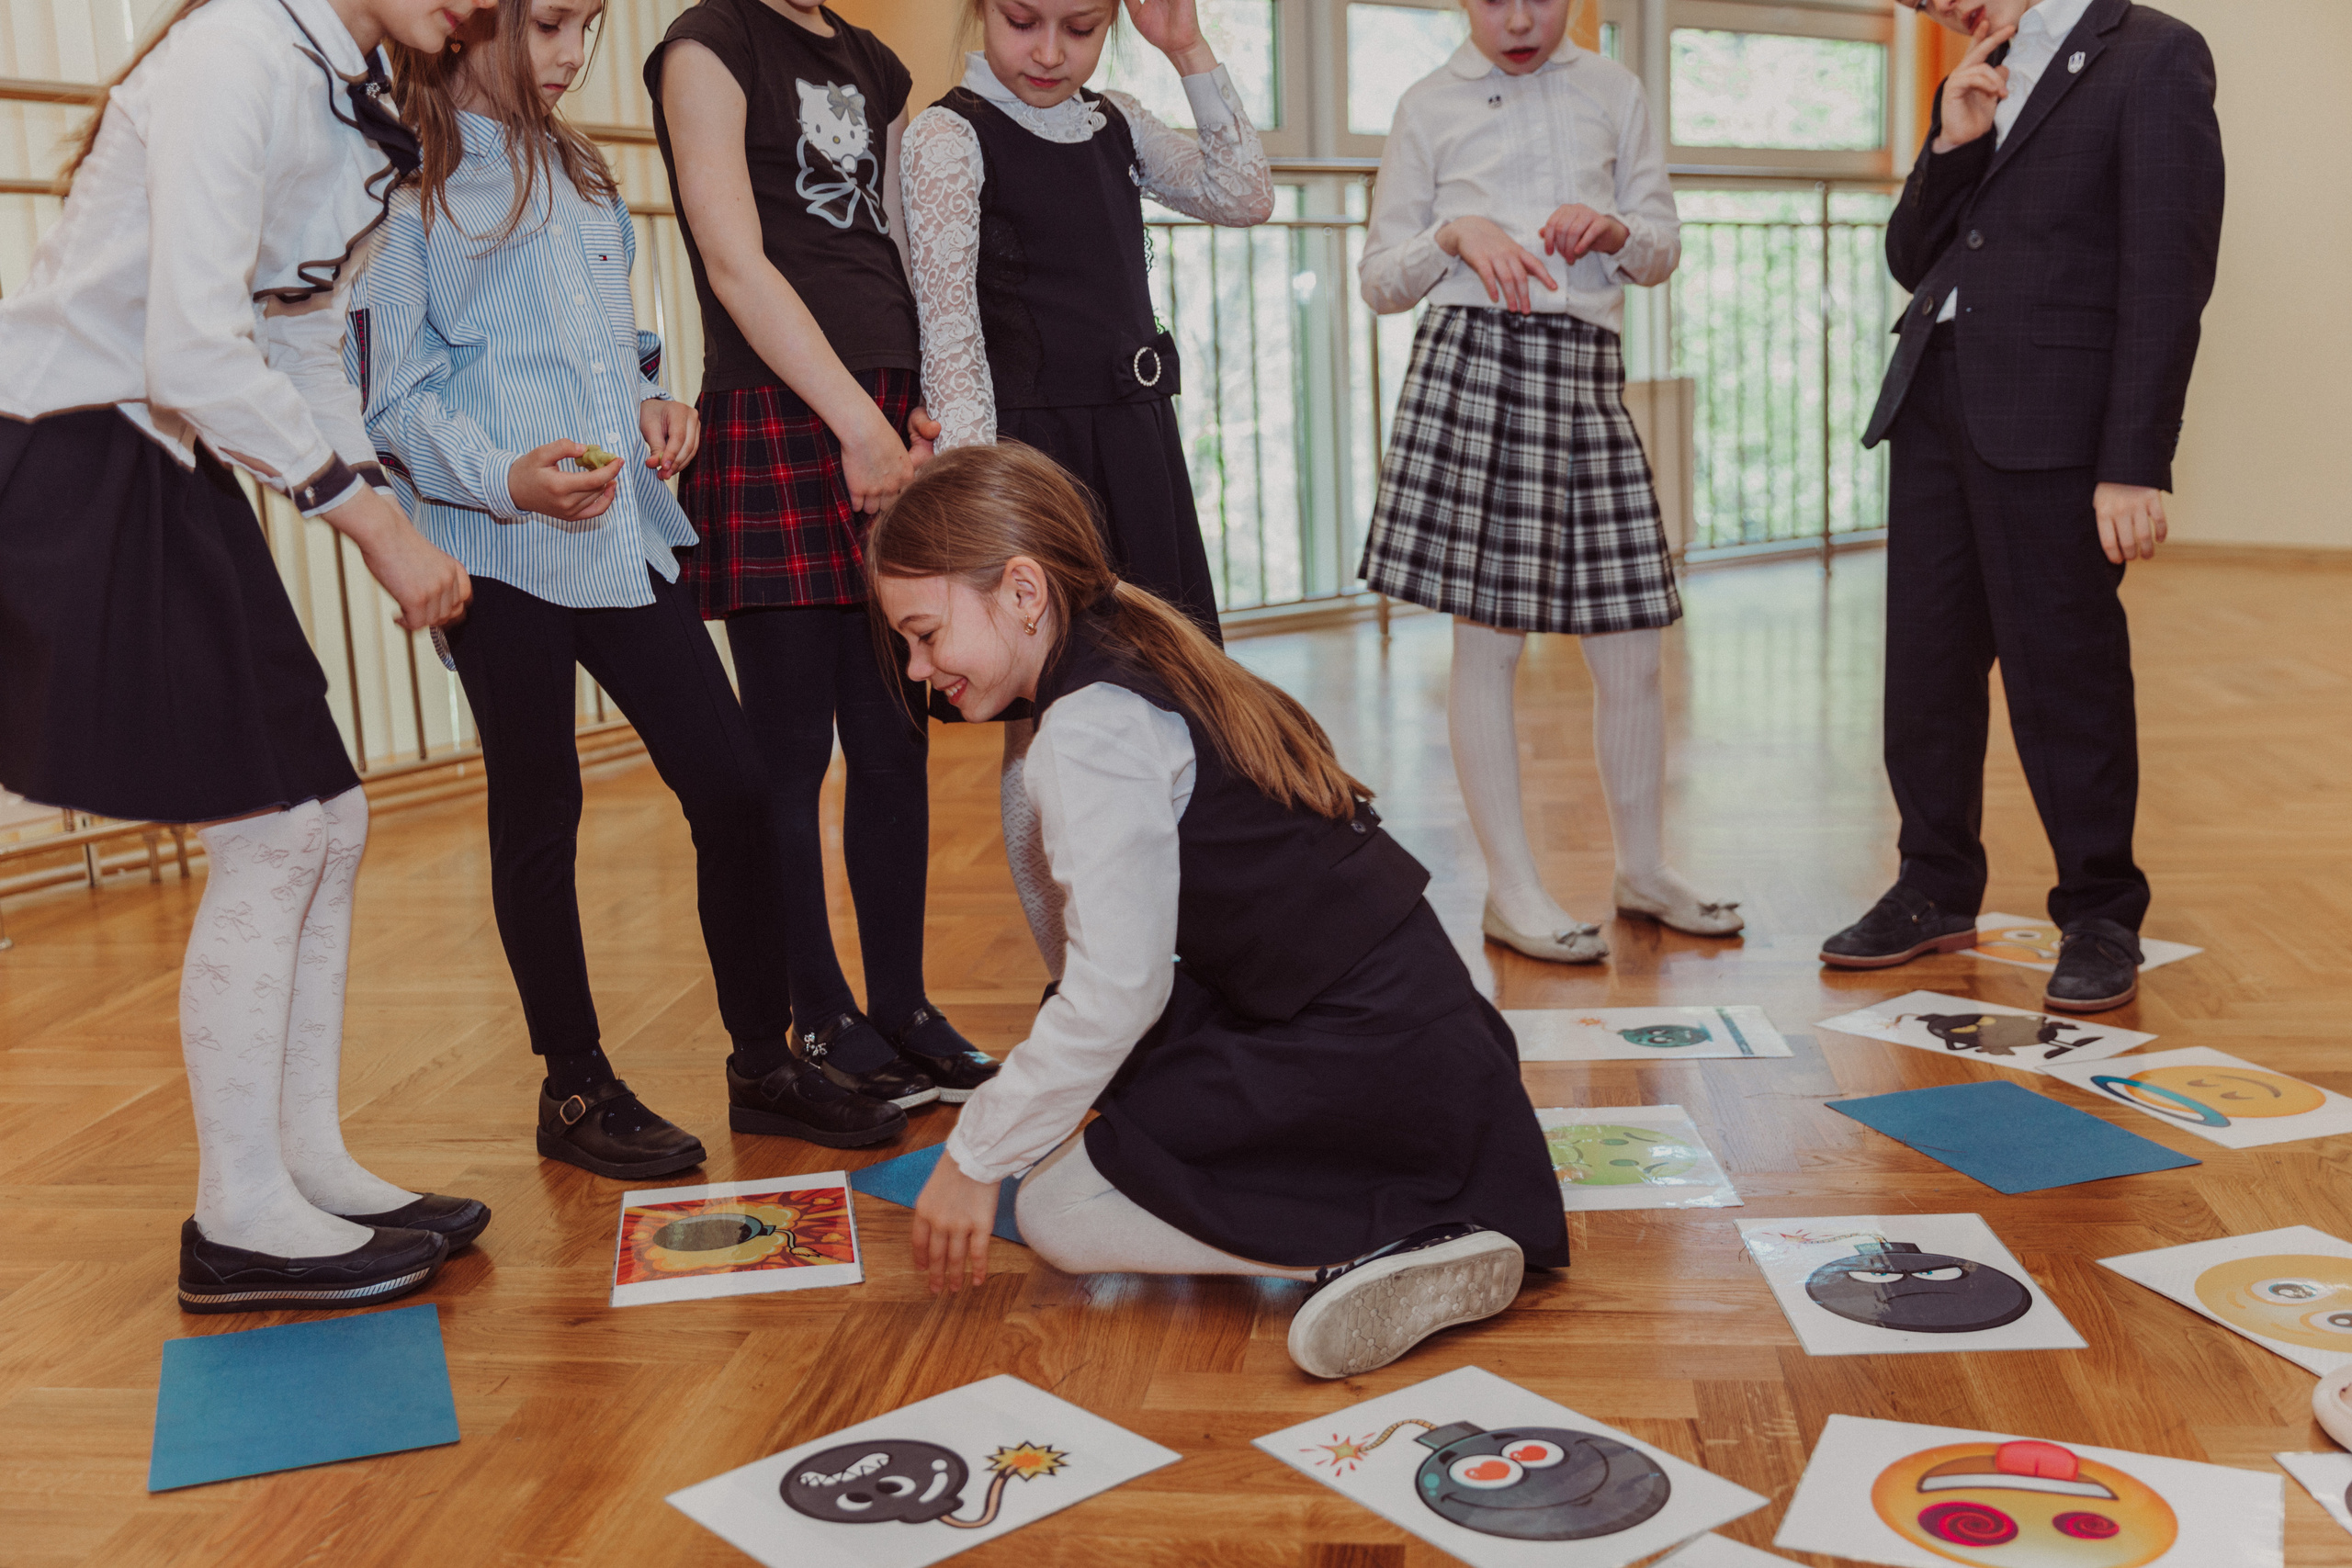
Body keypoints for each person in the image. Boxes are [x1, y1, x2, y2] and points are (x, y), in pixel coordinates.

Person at [872, 444, 1567, 1381]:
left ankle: (1377, 1248)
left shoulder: (1087, 734)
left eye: (925, 633)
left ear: (1023, 592)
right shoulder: (1129, 644)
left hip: (1368, 1050)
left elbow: (1116, 993)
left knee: (1053, 1213)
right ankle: (1402, 1221)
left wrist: (973, 1157)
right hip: (1420, 1042)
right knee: (1102, 1079)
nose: (920, 669)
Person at [356, 0, 906, 1178]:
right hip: (495, 554)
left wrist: (656, 400)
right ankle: (574, 1087)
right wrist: (504, 475)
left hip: (618, 542)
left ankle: (762, 1058)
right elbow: (394, 401)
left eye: (589, 30)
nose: (571, 57)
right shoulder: (406, 198)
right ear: (467, 22)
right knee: (539, 812)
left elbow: (615, 343)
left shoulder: (587, 180)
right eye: (551, 26)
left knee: (741, 788)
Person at [0, 0, 490, 1312]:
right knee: (275, 834)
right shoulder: (235, 54)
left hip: (165, 450)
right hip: (79, 445)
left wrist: (374, 496)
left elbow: (298, 347)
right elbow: (190, 350)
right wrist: (375, 528)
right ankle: (240, 1215)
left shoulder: (360, 91)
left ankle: (304, 1165)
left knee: (330, 814)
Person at [1825, 0, 2223, 1013]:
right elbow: (1917, 257)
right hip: (1933, 401)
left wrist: (2134, 461)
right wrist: (1953, 141)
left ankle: (2098, 912)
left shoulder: (2156, 55)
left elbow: (2167, 273)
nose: (1943, 7)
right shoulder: (1979, 67)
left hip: (2057, 421)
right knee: (1924, 668)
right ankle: (1933, 886)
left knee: (2066, 675)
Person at [645, 0, 999, 1105]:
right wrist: (854, 423)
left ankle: (900, 1002)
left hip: (887, 414)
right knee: (789, 755)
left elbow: (902, 242)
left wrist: (918, 412)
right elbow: (733, 260)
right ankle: (817, 1012)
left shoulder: (874, 62)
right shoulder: (706, 44)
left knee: (896, 743)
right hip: (783, 410)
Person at [1355, 0, 1739, 967]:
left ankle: (1643, 871)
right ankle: (1510, 891)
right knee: (1487, 641)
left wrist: (1614, 226)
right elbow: (1376, 277)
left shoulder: (1617, 90)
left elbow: (1660, 245)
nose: (1519, 17)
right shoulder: (1422, 104)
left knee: (1633, 641)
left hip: (1586, 370)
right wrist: (1455, 233)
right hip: (1472, 366)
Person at [900, 0, 1273, 985]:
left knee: (1171, 690)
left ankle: (1175, 961)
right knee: (1049, 713)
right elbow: (952, 345)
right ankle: (1078, 981)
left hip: (1136, 449)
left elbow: (1244, 193)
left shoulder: (1114, 121)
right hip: (1036, 472)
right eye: (1023, 22)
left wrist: (1185, 47)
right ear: (981, 11)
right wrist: (974, 524)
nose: (1050, 53)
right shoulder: (948, 136)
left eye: (1082, 26)